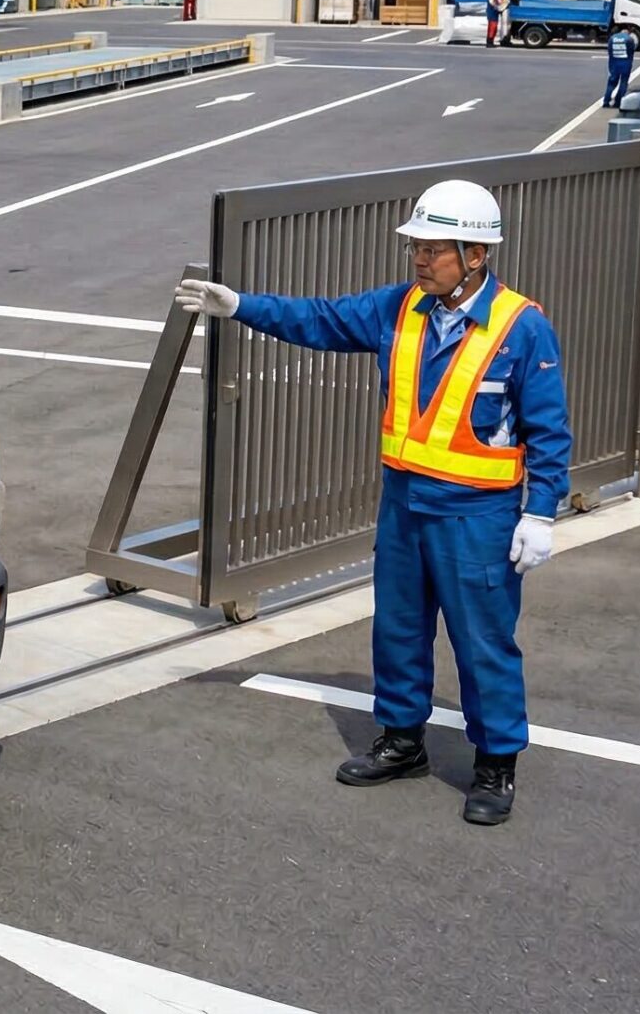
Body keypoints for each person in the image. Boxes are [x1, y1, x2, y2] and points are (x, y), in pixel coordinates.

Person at [175, 180, 571, 826]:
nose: (417, 258)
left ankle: (497, 762)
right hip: (405, 506)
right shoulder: (402, 307)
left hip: (478, 516)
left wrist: (541, 510)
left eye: (431, 248)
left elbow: (549, 430)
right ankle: (402, 739)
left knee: (483, 641)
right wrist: (241, 304)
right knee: (398, 627)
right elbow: (322, 319)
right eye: (415, 246)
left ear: (475, 255)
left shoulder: (522, 328)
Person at [603, 26, 639, 109]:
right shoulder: (629, 39)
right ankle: (618, 102)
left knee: (611, 83)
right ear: (628, 32)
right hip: (625, 64)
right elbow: (631, 51)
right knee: (623, 83)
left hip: (614, 63)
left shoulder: (612, 38)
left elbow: (609, 51)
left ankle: (606, 101)